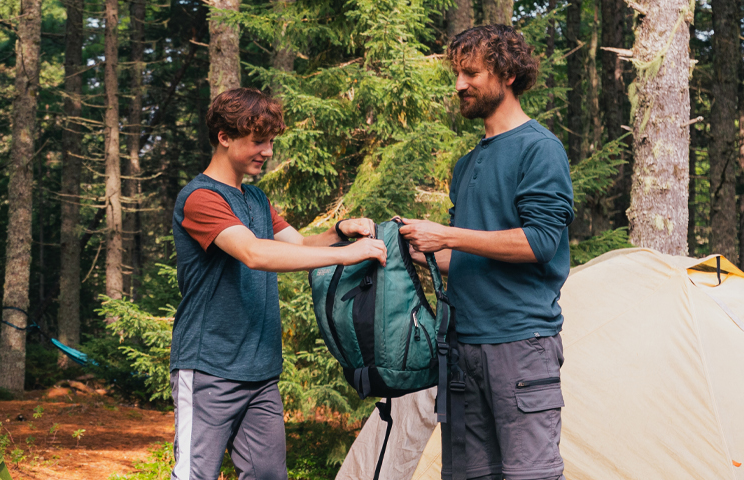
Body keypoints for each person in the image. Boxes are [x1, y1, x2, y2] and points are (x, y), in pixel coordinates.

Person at [169, 87, 387, 480]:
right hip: (208, 368)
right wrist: (345, 254)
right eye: (258, 141)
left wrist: (341, 230)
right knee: (193, 475)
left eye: (271, 141)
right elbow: (255, 253)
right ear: (224, 137)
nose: (268, 151)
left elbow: (301, 243)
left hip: (261, 373)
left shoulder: (254, 198)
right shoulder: (200, 198)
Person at [398, 25, 574, 480]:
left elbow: (539, 242)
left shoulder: (540, 149)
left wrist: (449, 235)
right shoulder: (468, 163)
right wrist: (411, 250)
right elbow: (466, 258)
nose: (459, 85)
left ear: (508, 73)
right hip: (462, 351)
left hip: (521, 347)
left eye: (471, 73)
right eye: (456, 74)